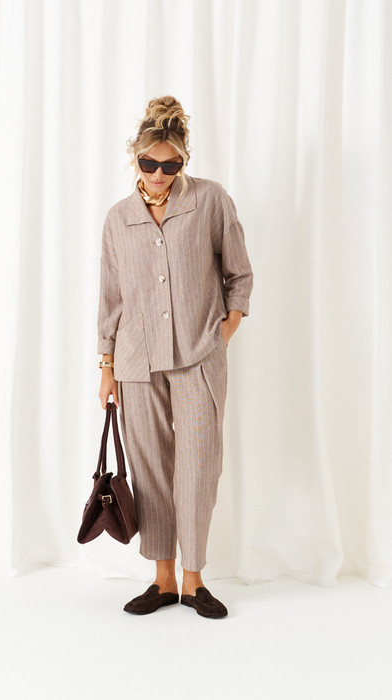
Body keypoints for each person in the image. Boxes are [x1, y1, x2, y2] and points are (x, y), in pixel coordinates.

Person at [97, 96, 253, 618]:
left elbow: (239, 274)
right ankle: (162, 580)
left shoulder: (210, 200)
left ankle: (194, 580)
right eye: (149, 163)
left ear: (184, 160)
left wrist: (224, 331)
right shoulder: (118, 219)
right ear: (135, 158)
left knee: (198, 467)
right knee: (151, 471)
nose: (159, 174)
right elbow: (111, 299)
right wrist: (106, 367)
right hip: (136, 361)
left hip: (198, 355)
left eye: (171, 165)